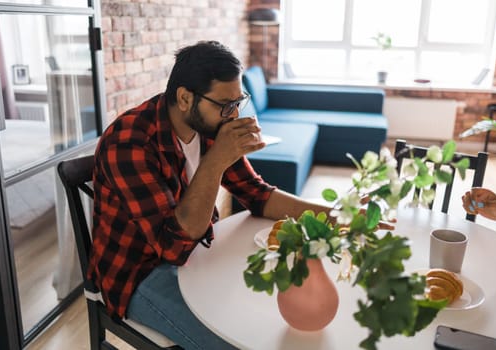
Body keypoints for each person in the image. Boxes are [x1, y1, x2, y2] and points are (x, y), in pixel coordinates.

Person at [88, 40, 334, 349]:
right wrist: (217, 160)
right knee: (236, 344)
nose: (232, 115)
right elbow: (173, 247)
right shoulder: (129, 142)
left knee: (267, 318)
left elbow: (256, 193)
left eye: (238, 102)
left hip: (198, 253)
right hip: (138, 274)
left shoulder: (209, 127)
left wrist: (334, 214)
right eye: (224, 105)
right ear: (184, 98)